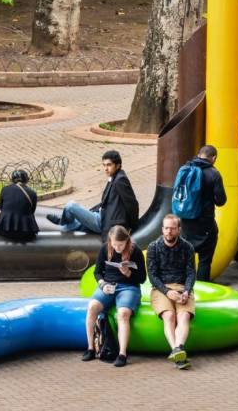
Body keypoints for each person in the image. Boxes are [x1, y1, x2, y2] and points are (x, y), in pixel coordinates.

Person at [81, 225, 146, 367]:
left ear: (126, 241)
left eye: (120, 245)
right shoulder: (106, 248)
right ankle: (91, 348)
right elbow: (97, 272)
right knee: (92, 307)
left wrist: (128, 273)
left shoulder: (135, 251)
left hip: (129, 287)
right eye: (114, 244)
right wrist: (103, 284)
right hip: (109, 285)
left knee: (122, 314)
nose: (117, 247)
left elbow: (142, 278)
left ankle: (122, 354)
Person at [147, 214, 197, 370]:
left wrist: (187, 291)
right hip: (161, 288)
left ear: (179, 230)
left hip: (182, 287)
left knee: (184, 315)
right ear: (162, 229)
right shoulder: (153, 247)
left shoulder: (187, 247)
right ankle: (177, 350)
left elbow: (191, 273)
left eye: (172, 228)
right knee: (169, 315)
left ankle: (178, 349)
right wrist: (167, 292)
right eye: (166, 228)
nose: (169, 232)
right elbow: (152, 275)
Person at [48, 150, 138, 236]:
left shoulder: (120, 180)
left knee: (71, 205)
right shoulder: (114, 177)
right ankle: (66, 221)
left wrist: (133, 227)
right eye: (104, 165)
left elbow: (132, 204)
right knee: (66, 229)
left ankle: (62, 220)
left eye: (109, 165)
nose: (106, 169)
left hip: (102, 222)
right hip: (100, 215)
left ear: (118, 165)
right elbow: (106, 202)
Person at [178, 145, 227, 282]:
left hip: (186, 223)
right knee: (205, 261)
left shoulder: (185, 169)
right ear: (214, 158)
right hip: (205, 225)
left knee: (187, 261)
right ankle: (201, 290)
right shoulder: (214, 174)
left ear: (198, 155)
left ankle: (185, 289)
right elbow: (221, 201)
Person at [0, 169, 39, 241]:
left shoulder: (5, 190)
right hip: (26, 232)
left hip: (4, 230)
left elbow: (1, 207)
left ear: (12, 179)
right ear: (26, 180)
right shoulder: (32, 193)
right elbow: (32, 211)